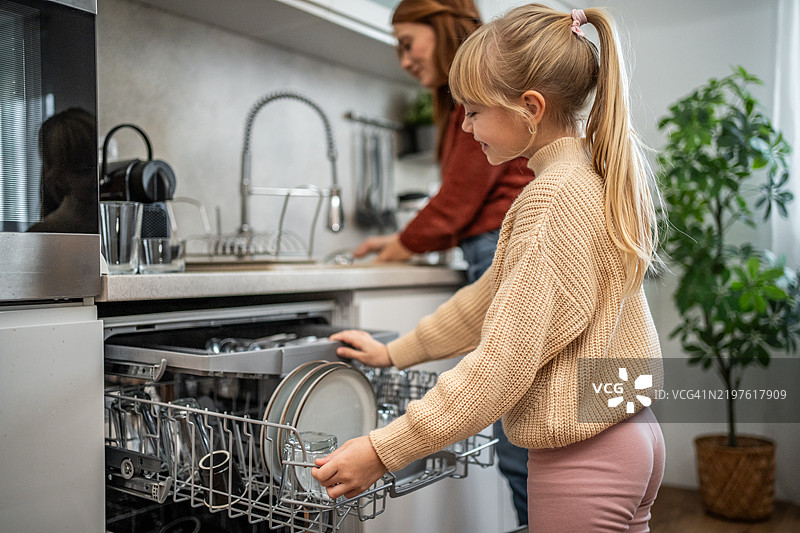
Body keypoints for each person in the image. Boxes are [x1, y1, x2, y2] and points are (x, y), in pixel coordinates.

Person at [314, 4, 666, 531]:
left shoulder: (550, 201)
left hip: (585, 454)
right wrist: (395, 352)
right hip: (631, 431)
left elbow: (500, 368)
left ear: (530, 107)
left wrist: (383, 450)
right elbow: (487, 300)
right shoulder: (586, 179)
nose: (466, 126)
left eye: (473, 111)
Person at [354, 0, 534, 524]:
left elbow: (455, 202)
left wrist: (399, 246)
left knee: (519, 437)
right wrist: (395, 354)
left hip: (494, 241)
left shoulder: (547, 208)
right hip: (491, 245)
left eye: (408, 43)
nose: (404, 60)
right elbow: (469, 310)